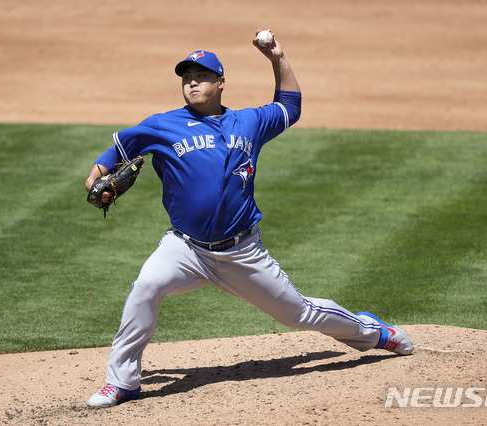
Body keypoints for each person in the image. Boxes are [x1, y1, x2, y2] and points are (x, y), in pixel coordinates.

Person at [84, 30, 413, 408]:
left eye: (202, 75)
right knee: (145, 287)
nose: (192, 81)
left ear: (221, 82)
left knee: (298, 313)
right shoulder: (162, 124)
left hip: (242, 252)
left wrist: (278, 58)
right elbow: (117, 149)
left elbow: (290, 106)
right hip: (185, 248)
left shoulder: (249, 122)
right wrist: (96, 174)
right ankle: (122, 381)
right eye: (186, 76)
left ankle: (374, 332)